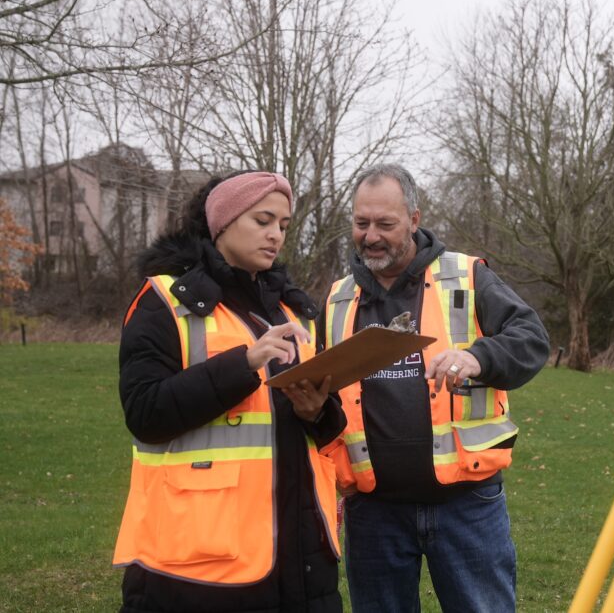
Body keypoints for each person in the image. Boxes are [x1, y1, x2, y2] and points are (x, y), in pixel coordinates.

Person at [113, 171, 346, 613]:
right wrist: (244, 363)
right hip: (200, 563)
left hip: (303, 555)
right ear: (222, 222)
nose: (275, 234)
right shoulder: (165, 301)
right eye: (263, 220)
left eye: (283, 225)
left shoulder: (294, 309)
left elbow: (324, 426)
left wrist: (318, 411)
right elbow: (145, 413)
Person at [321, 163, 550, 612]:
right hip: (374, 511)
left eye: (385, 224)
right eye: (361, 223)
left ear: (414, 219)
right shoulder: (336, 299)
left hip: (466, 505)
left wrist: (478, 358)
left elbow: (531, 340)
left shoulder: (465, 276)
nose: (370, 236)